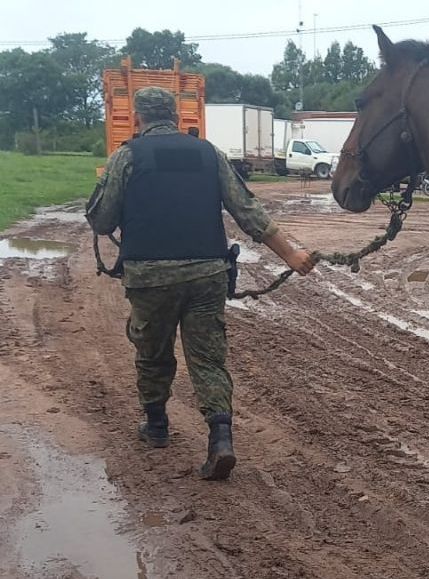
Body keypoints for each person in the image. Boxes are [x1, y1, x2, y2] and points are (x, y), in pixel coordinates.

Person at [86, 87, 315, 481]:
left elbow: (102, 221)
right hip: (207, 275)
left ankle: (156, 426)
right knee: (208, 359)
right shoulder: (209, 155)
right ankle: (220, 439)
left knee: (152, 352)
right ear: (175, 117)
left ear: (139, 118)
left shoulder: (127, 157)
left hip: (151, 278)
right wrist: (291, 256)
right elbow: (249, 212)